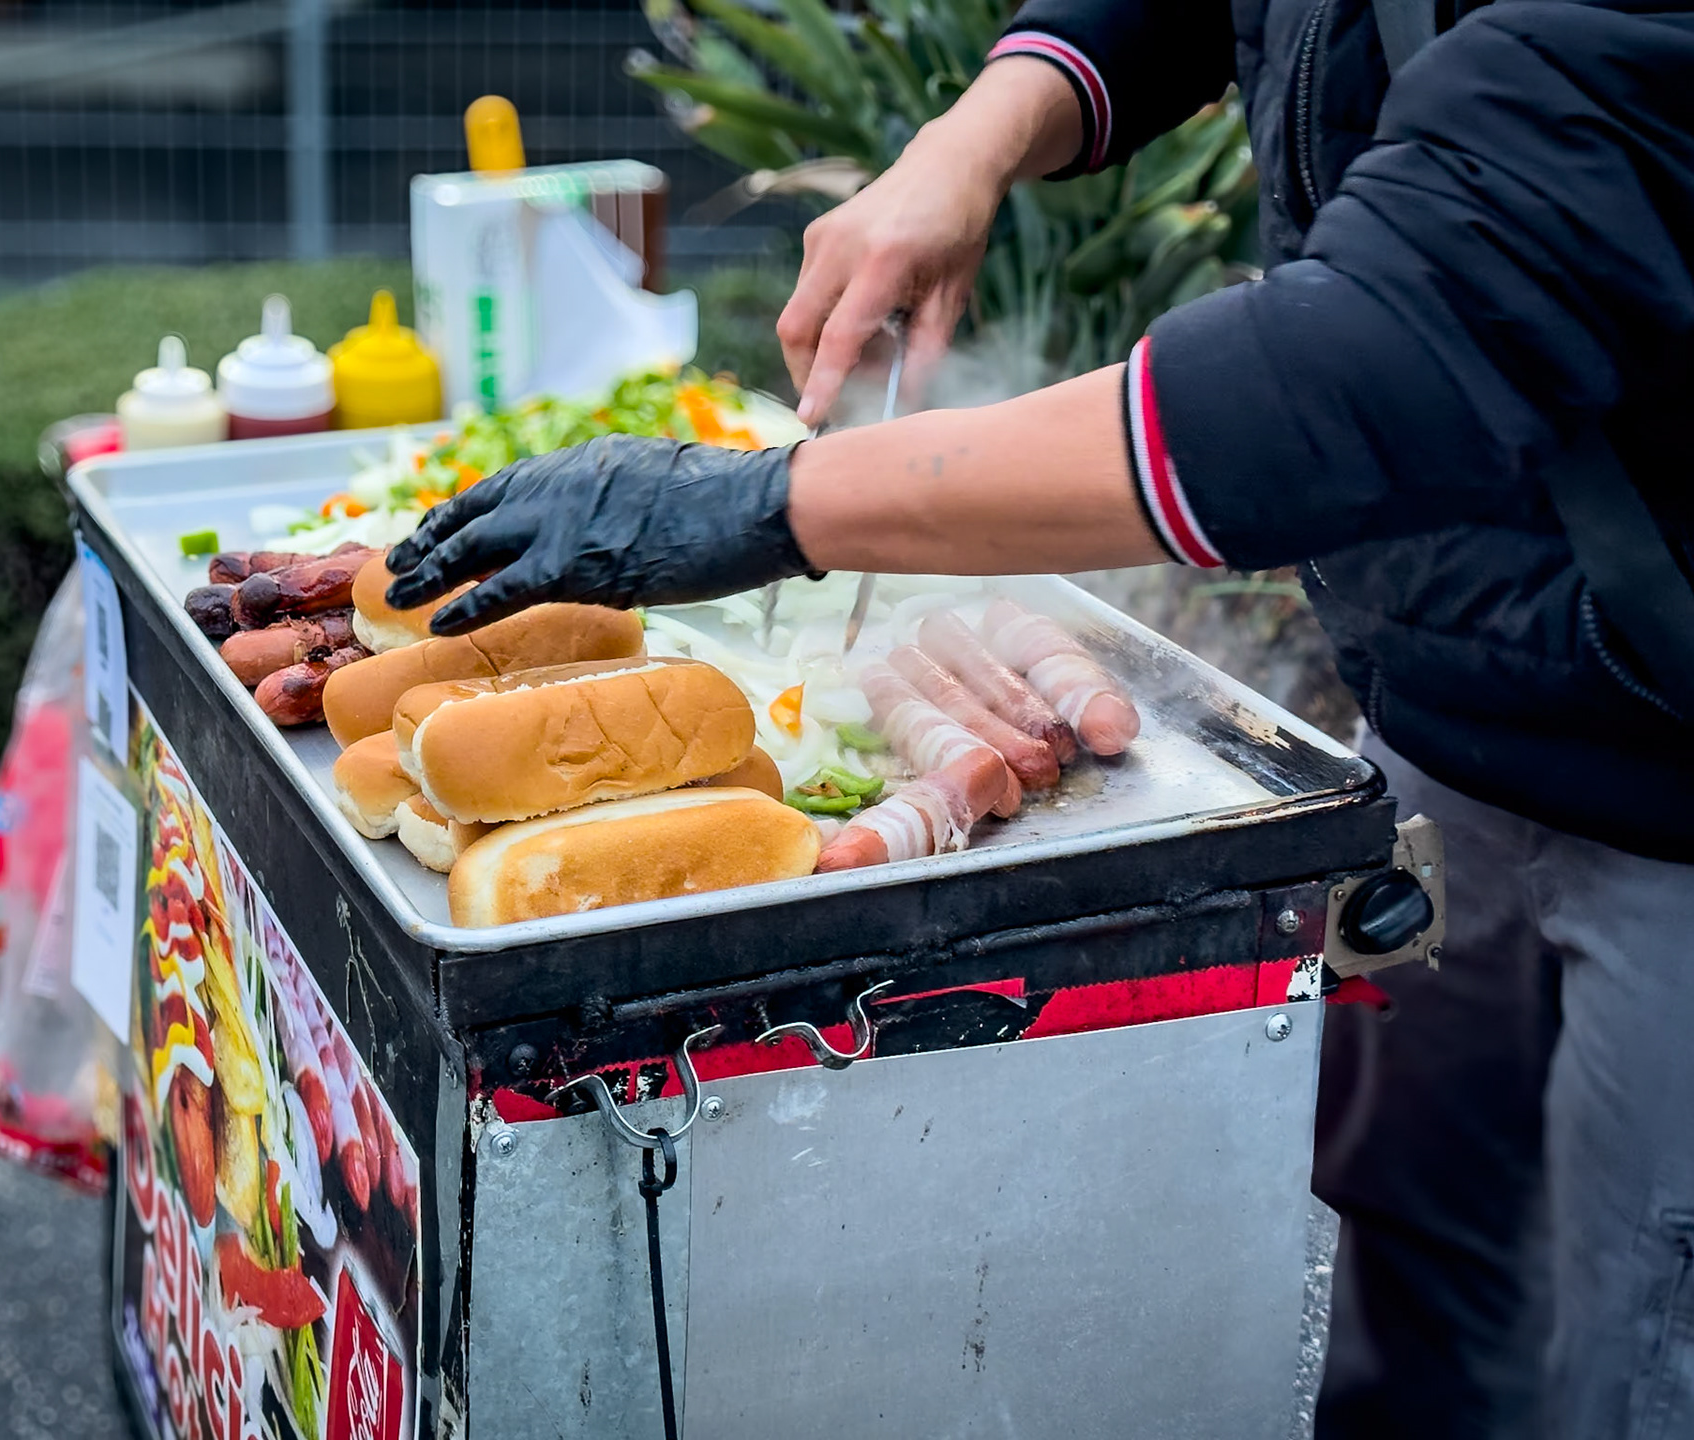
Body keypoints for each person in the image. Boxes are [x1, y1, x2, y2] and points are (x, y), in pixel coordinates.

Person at [384, 2, 1694, 1434]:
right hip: (1440, 730)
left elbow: (1344, 375)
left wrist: (759, 506)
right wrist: (980, 130)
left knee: (1628, 1355)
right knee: (1423, 1306)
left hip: (1665, 792)